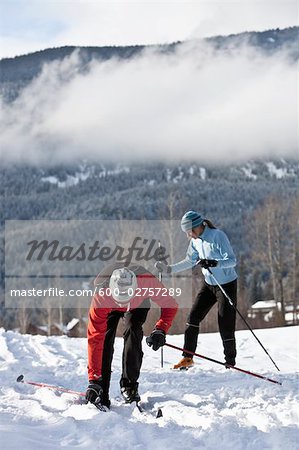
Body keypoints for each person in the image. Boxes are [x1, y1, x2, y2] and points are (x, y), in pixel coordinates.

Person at [85, 263, 178, 409]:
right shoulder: (102, 296)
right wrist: (94, 381)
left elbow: (170, 304)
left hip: (138, 305)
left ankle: (129, 387)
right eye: (120, 299)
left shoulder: (147, 282)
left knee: (133, 330)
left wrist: (161, 329)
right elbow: (95, 340)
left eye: (126, 298)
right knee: (105, 341)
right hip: (110, 307)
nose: (123, 303)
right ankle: (101, 389)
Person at [155, 210, 238, 370]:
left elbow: (232, 261)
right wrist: (169, 269)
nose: (188, 235)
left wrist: (214, 263)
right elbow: (190, 260)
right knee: (192, 318)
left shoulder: (217, 236)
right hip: (209, 284)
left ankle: (230, 362)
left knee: (225, 323)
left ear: (197, 226)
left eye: (189, 231)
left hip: (226, 284)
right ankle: (187, 358)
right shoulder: (195, 241)